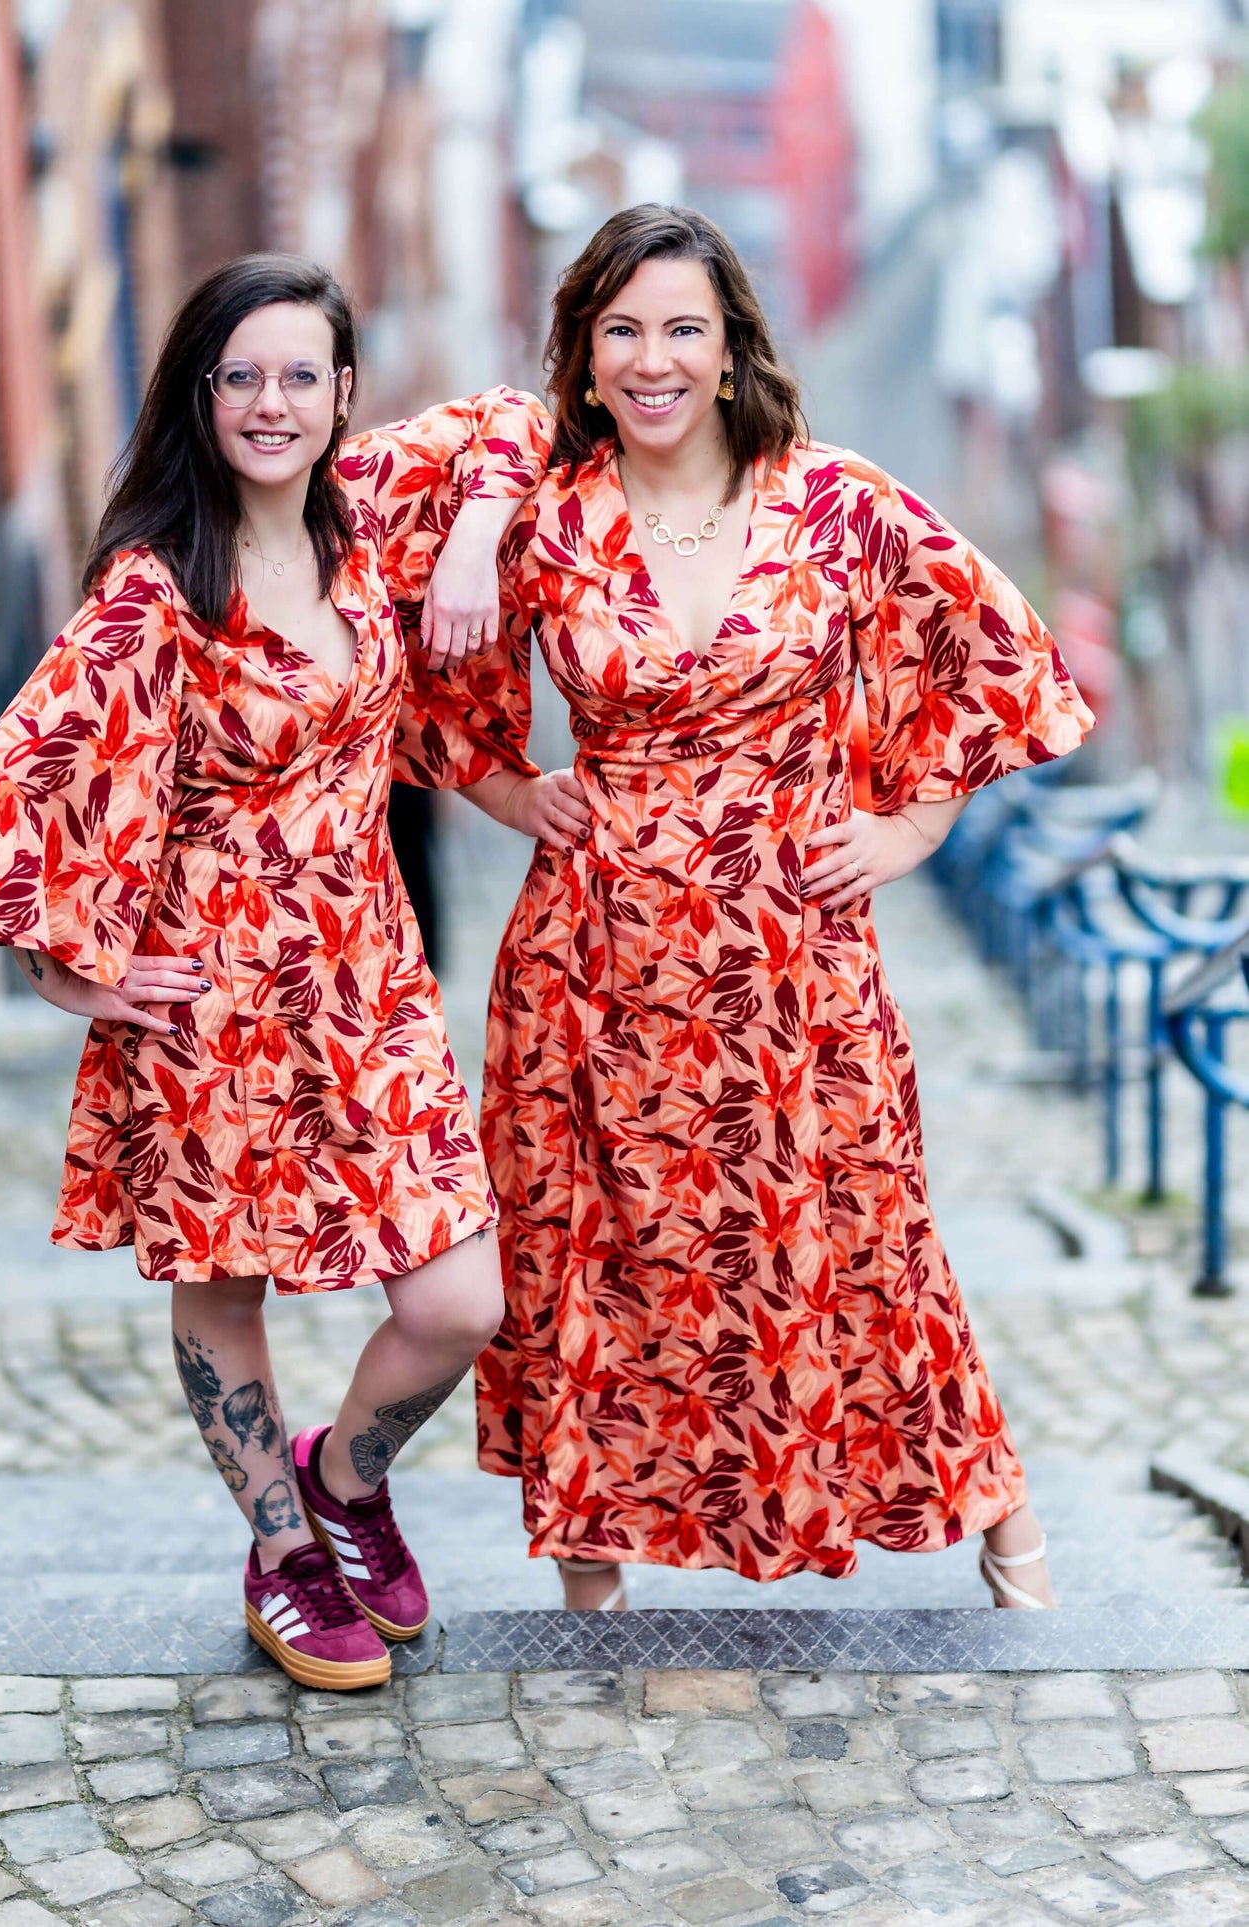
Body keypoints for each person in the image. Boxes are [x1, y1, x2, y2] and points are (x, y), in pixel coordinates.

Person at [398, 205, 1092, 1614]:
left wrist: (908, 826)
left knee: (866, 1236)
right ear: (584, 357)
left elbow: (992, 651)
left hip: (794, 962)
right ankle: (591, 1580)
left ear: (730, 353)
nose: (651, 360)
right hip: (594, 960)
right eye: (621, 332)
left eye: (682, 330)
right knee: (601, 1255)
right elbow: (423, 677)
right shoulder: (546, 515)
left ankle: (999, 1515)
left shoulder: (835, 501)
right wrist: (514, 786)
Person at [0, 254, 555, 1689]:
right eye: (240, 377)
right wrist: (69, 975)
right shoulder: (157, 593)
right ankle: (282, 1554)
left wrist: (473, 540)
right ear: (201, 398)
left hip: (370, 979)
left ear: (341, 392)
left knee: (459, 1301)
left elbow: (513, 418)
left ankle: (342, 1482)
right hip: (212, 1000)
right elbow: (15, 786)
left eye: (299, 376)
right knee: (226, 1287)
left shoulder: (372, 511)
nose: (272, 403)